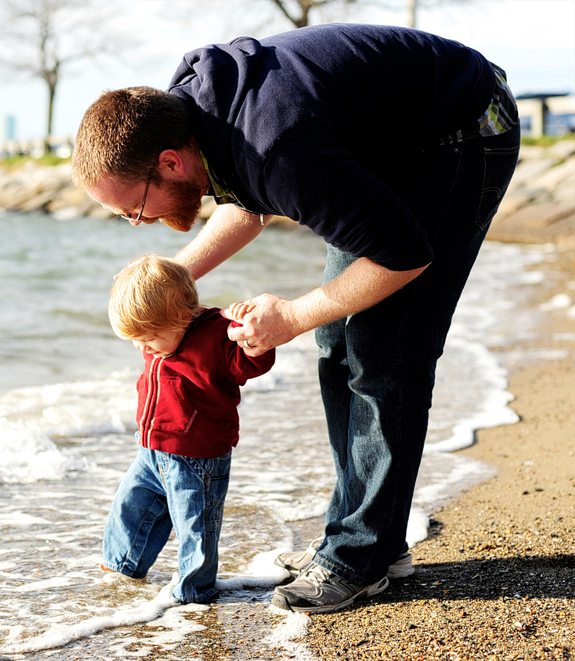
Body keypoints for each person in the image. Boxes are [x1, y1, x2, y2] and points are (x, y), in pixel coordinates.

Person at [72, 24, 520, 613]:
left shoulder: (279, 150)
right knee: (337, 340)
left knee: (384, 350)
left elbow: (404, 256)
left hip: (461, 131)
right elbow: (249, 202)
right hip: (388, 138)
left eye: (133, 209)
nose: (138, 222)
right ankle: (368, 538)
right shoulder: (192, 117)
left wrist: (291, 315)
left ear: (170, 162)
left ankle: (360, 556)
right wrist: (164, 288)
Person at [102, 254, 276, 603]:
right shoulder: (162, 328)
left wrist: (250, 334)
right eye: (135, 341)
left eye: (148, 339)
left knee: (195, 526)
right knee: (130, 507)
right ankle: (122, 567)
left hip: (197, 457)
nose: (142, 347)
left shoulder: (217, 336)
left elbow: (254, 362)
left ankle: (194, 593)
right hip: (151, 449)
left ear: (182, 317)